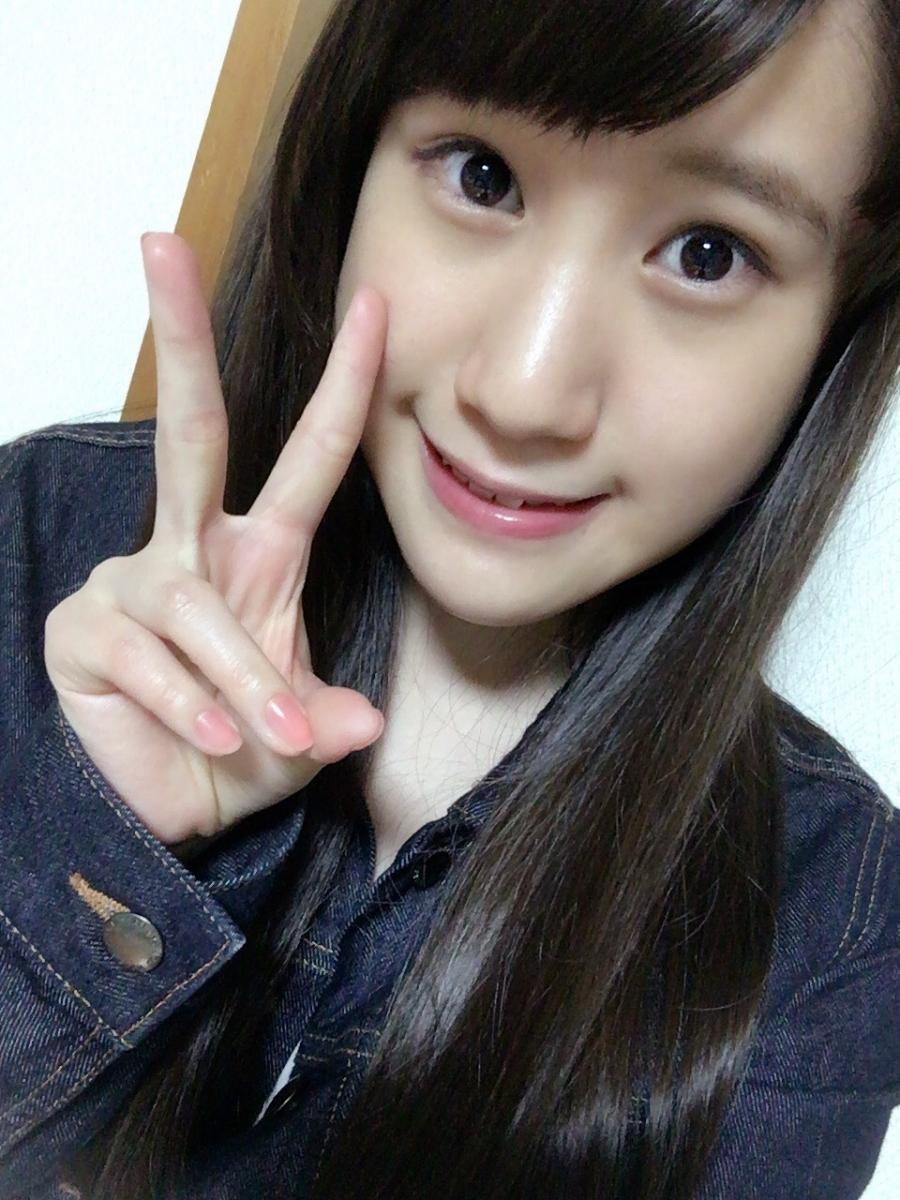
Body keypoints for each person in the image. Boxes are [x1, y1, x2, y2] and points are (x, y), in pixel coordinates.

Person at [0, 0, 897, 1196]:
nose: (524, 393)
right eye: (484, 175)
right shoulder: (44, 540)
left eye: (708, 253)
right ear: (356, 154)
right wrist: (89, 840)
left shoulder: (827, 917)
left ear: (835, 326)